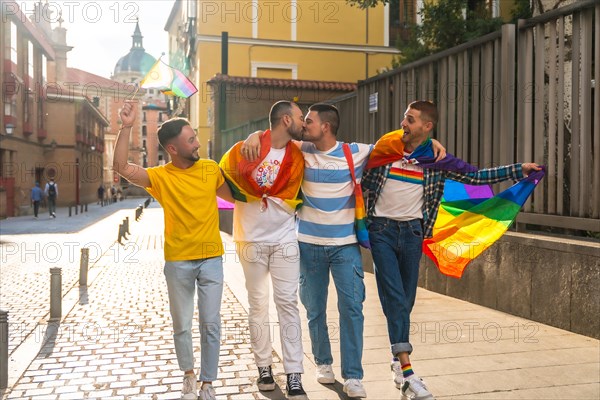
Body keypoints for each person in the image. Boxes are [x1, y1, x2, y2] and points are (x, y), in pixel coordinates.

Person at [242, 103, 445, 399]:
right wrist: (254, 134)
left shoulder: (357, 152)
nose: (304, 125)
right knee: (314, 309)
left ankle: (353, 375)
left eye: (308, 120)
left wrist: (431, 142)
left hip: (346, 247)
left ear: (325, 126)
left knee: (352, 309)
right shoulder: (300, 151)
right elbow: (275, 139)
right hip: (308, 245)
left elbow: (399, 143)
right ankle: (323, 363)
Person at [361, 100, 541, 400]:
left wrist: (517, 170)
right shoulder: (385, 150)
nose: (404, 123)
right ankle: (407, 373)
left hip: (412, 234)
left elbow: (477, 176)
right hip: (380, 231)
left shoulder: (437, 159)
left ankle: (396, 361)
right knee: (394, 296)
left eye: (411, 119)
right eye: (404, 117)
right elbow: (356, 173)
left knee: (405, 300)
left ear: (427, 127)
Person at [113, 101, 233, 400]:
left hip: (211, 259)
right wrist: (127, 127)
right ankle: (189, 376)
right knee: (182, 325)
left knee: (211, 323)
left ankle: (208, 382)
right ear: (173, 149)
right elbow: (122, 168)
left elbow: (239, 194)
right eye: (191, 140)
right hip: (178, 262)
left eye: (195, 137)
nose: (197, 143)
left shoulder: (210, 169)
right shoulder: (161, 177)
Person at [219, 101, 307, 398]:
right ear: (286, 120)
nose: (304, 123)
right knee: (258, 304)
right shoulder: (245, 149)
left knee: (288, 305)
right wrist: (254, 135)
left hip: (284, 239)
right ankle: (264, 367)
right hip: (250, 240)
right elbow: (222, 178)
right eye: (299, 118)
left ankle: (294, 372)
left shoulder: (300, 153)